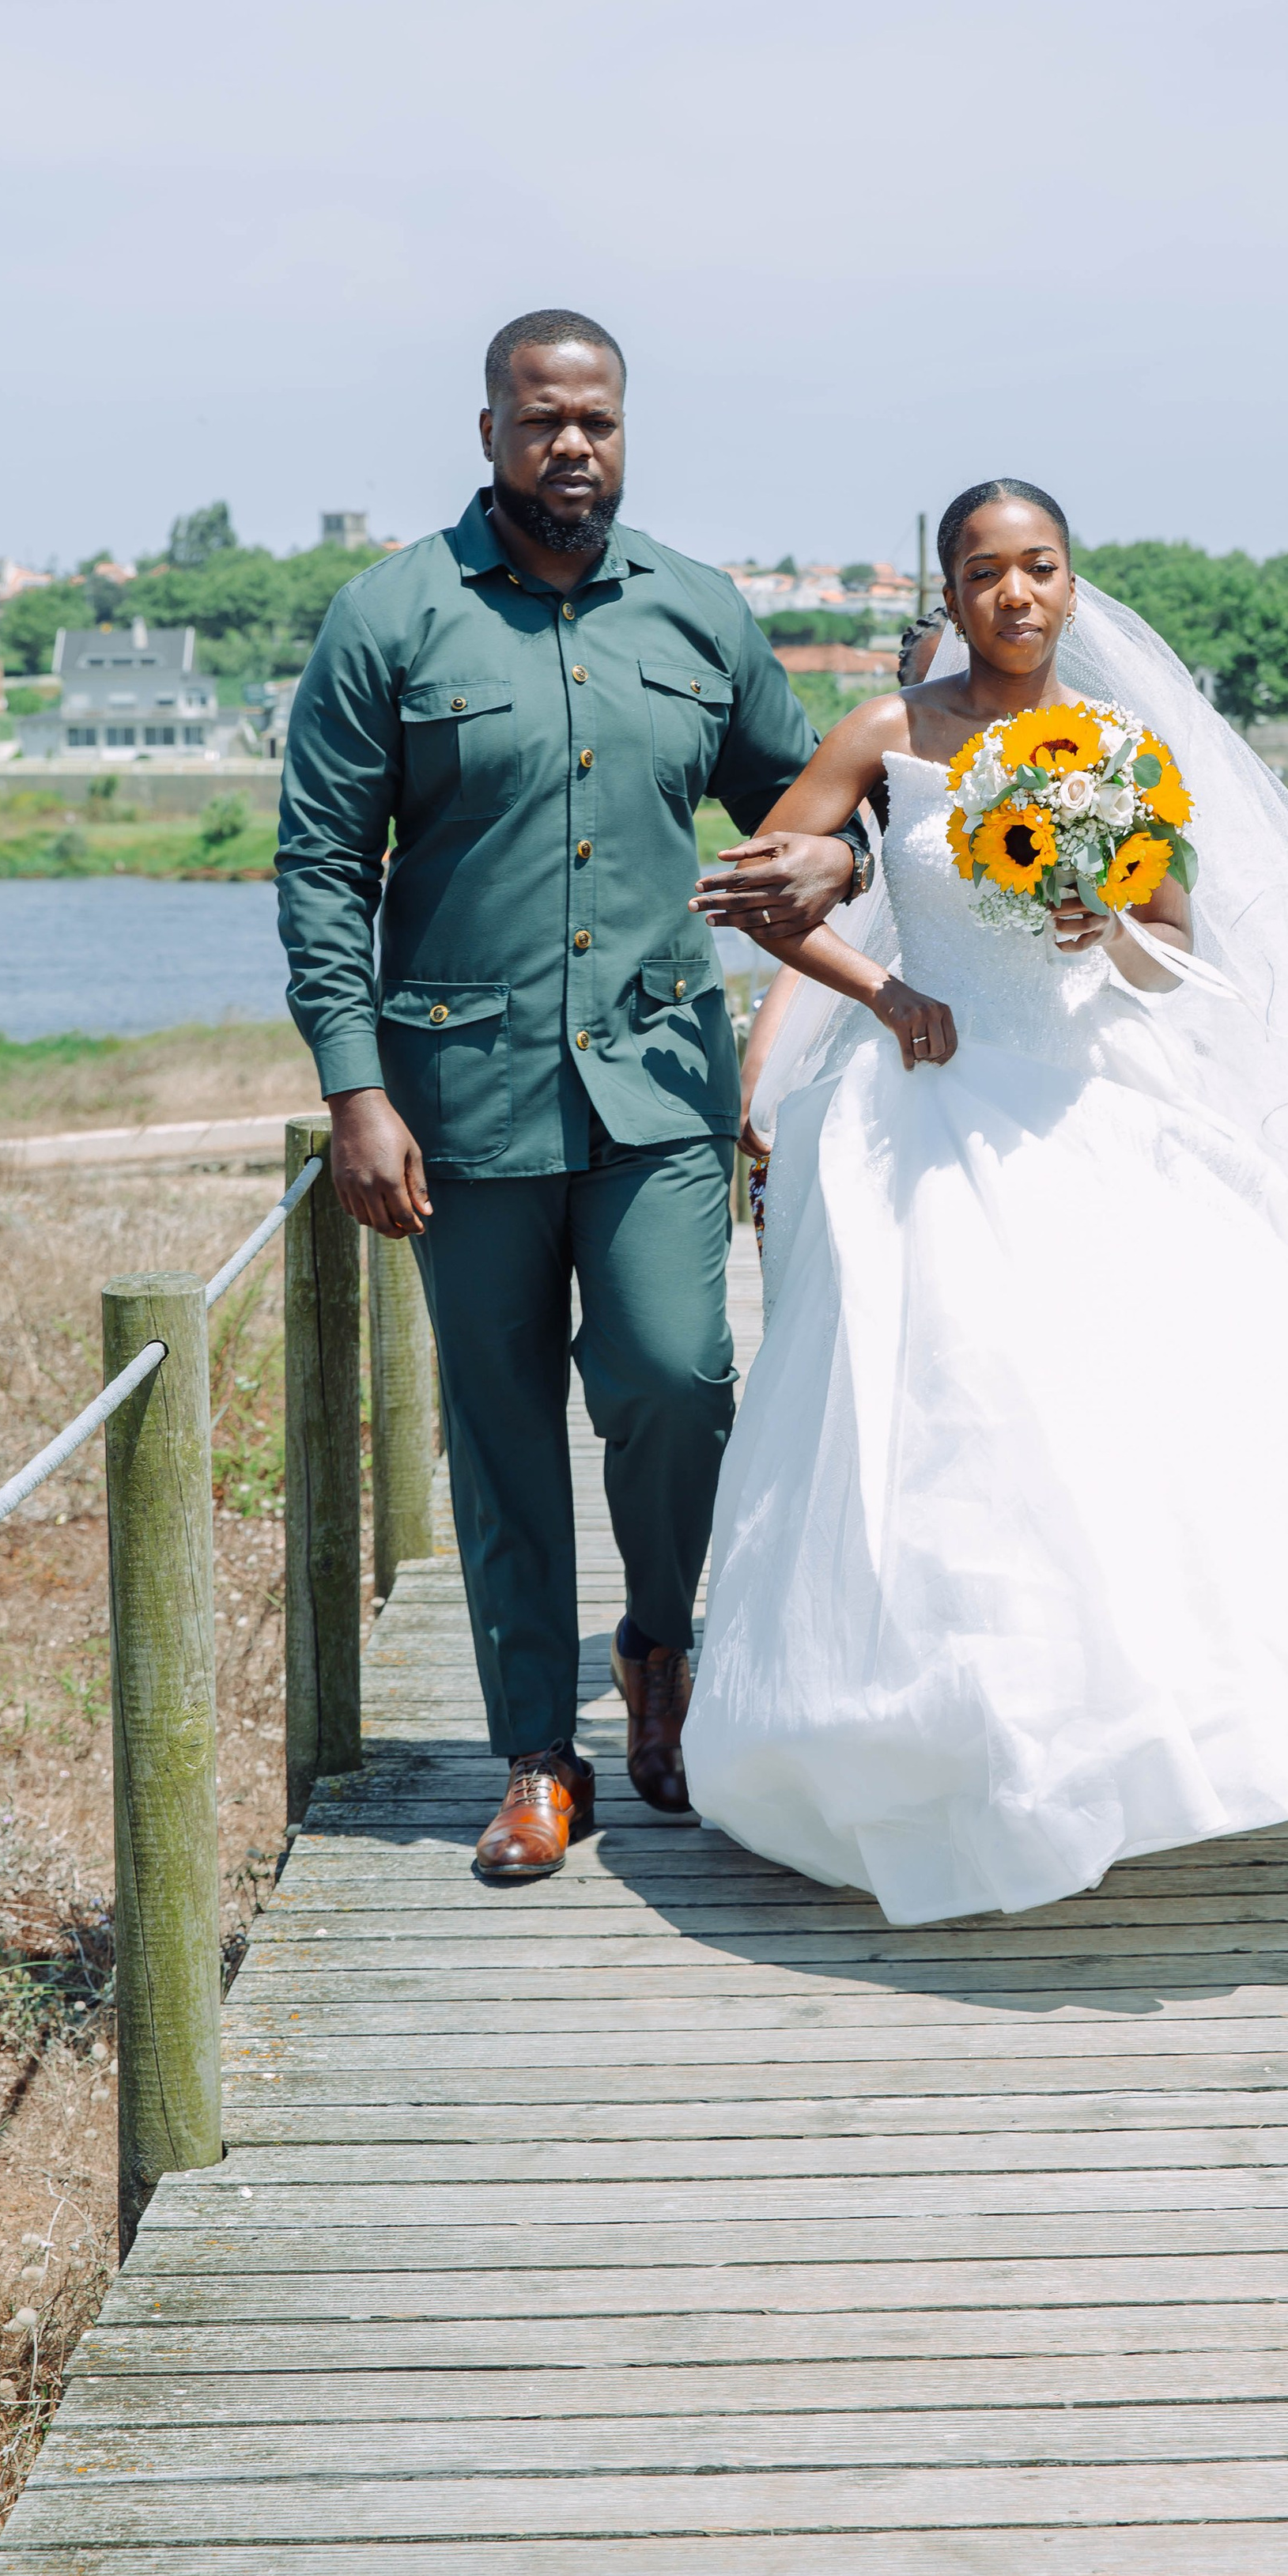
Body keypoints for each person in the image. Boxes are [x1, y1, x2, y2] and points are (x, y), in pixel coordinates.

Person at [682, 479, 1288, 1926]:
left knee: (1141, 1409)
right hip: (929, 1114)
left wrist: (1105, 920)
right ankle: (957, 1753)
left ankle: (1135, 1744)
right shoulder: (884, 735)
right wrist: (884, 988)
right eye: (986, 574)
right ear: (949, 592)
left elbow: (1174, 953)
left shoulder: (1119, 754)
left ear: (1072, 582)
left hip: (1094, 1094)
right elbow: (751, 895)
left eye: (1041, 568)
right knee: (953, 1417)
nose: (1017, 597)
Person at [275, 308, 871, 1881]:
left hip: (660, 1090)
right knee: (501, 1431)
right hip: (455, 1108)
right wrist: (354, 1091)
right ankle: (537, 1754)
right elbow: (324, 873)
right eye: (539, 421)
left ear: (624, 431)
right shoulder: (388, 620)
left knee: (675, 1381)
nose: (570, 447)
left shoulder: (695, 614)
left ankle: (660, 1664)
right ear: (487, 434)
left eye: (594, 422)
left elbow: (800, 813)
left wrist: (842, 855)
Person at [738, 613, 945, 1249]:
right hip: (873, 1004)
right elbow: (816, 916)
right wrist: (762, 1065)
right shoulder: (871, 773)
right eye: (929, 676)